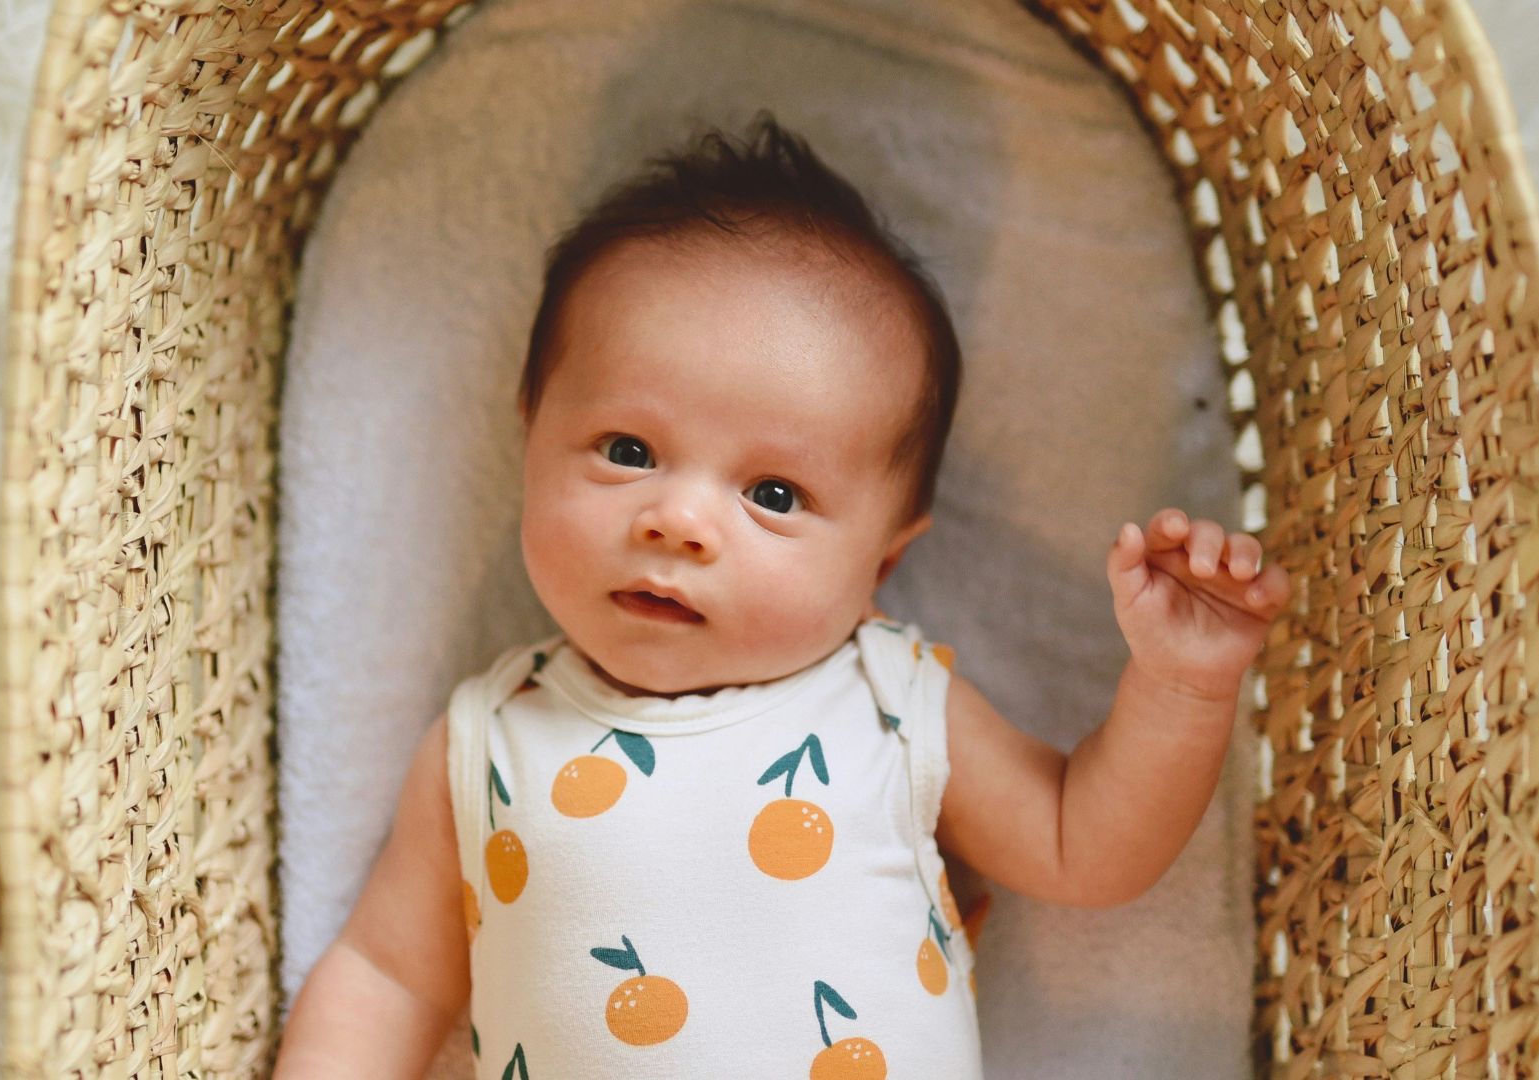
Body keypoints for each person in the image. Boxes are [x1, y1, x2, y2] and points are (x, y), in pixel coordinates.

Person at [273, 111, 1289, 1079]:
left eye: (773, 494)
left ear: (879, 565)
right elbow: (388, 976)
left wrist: (1180, 686)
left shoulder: (887, 700)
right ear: (532, 437)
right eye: (629, 451)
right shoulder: (487, 741)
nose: (679, 520)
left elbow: (1083, 844)